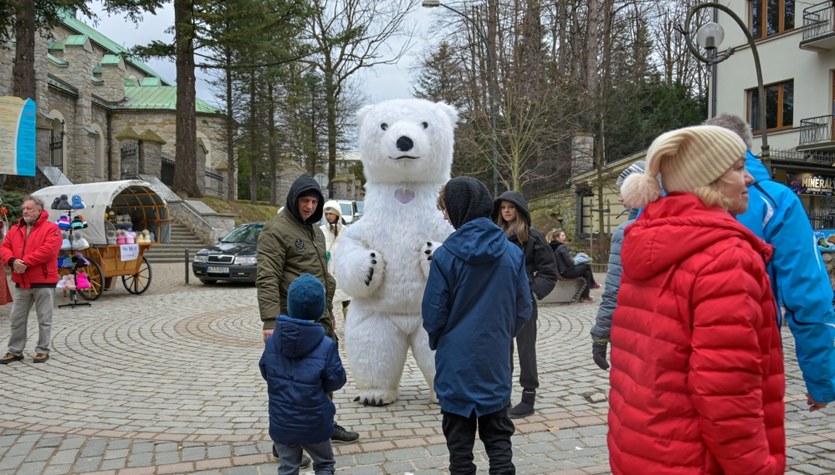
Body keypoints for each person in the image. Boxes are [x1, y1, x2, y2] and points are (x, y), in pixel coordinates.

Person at [609, 125, 785, 473]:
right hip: (695, 459)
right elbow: (726, 392)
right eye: (737, 168)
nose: (749, 178)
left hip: (642, 449)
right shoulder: (727, 256)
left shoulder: (647, 240)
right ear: (708, 180)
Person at [706, 113, 835, 412]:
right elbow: (807, 295)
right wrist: (822, 381)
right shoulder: (777, 201)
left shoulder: (663, 199)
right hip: (746, 353)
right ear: (747, 147)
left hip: (665, 363)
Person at [422, 176, 532, 475]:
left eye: (446, 209)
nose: (445, 215)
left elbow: (432, 315)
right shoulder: (512, 253)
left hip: (456, 363)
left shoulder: (445, 256)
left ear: (460, 208)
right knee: (499, 442)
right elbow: (524, 308)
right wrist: (499, 333)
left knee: (459, 451)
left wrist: (442, 341)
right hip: (494, 359)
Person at [256, 174, 359, 447]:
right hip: (290, 320)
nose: (309, 206)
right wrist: (269, 320)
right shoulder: (276, 230)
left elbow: (322, 275)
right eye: (305, 200)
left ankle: (325, 424)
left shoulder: (315, 231)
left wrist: (328, 311)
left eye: (314, 201)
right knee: (291, 382)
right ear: (294, 199)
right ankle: (284, 443)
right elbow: (267, 277)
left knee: (322, 374)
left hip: (319, 319)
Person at [259, 273, 347, 475]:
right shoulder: (326, 345)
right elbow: (336, 380)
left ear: (289, 305)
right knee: (324, 464)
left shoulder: (272, 342)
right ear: (320, 310)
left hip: (282, 423)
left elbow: (265, 371)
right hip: (315, 423)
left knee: (288, 467)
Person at [492, 191, 557, 418]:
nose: (507, 211)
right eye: (503, 208)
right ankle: (503, 396)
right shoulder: (494, 236)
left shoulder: (533, 237)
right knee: (501, 350)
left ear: (519, 209)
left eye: (511, 207)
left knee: (526, 349)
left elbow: (549, 271)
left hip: (524, 301)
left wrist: (532, 291)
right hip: (500, 302)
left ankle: (528, 397)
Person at [589, 161, 645, 370]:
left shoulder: (627, 231)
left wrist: (601, 333)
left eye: (624, 191)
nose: (620, 198)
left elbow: (614, 289)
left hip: (634, 327)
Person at [0, 196, 63, 364]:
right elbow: (4, 247)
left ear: (39, 210)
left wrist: (24, 263)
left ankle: (42, 350)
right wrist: (12, 261)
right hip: (21, 282)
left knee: (44, 319)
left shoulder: (52, 229)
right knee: (16, 319)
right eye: (24, 209)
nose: (25, 211)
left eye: (29, 208)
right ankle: (15, 351)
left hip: (43, 281)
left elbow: (49, 251)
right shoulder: (15, 229)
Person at [319, 200, 350, 324]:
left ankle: (349, 324)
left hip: (342, 271)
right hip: (327, 270)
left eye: (331, 213)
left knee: (346, 299)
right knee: (327, 299)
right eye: (326, 214)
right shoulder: (321, 231)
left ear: (337, 214)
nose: (328, 216)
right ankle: (328, 322)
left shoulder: (346, 231)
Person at [548, 229, 599, 302]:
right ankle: (593, 284)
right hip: (566, 272)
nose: (565, 237)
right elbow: (570, 264)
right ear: (557, 238)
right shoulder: (561, 247)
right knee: (586, 266)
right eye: (562, 236)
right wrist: (576, 261)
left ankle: (585, 296)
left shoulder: (553, 247)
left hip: (561, 272)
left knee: (587, 273)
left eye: (564, 235)